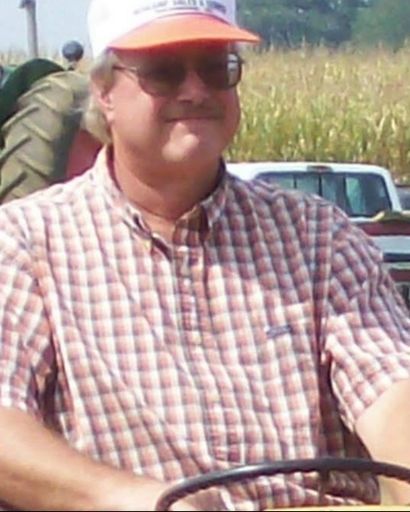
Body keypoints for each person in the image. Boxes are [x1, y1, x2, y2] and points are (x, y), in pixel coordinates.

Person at [0, 0, 410, 510]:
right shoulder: (26, 244)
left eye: (217, 68)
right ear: (104, 91)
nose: (195, 91)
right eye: (165, 72)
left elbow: (391, 389)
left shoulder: (318, 236)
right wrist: (128, 498)